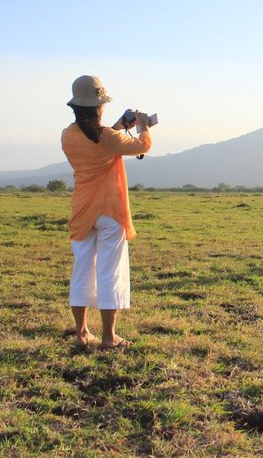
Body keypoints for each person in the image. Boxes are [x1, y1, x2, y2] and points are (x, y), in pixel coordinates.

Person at [61, 75, 153, 351]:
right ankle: (109, 337)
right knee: (109, 271)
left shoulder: (68, 135)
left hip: (82, 210)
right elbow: (142, 146)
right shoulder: (109, 138)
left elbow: (99, 143)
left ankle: (81, 333)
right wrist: (143, 127)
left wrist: (117, 127)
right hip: (110, 211)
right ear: (99, 106)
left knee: (82, 269)